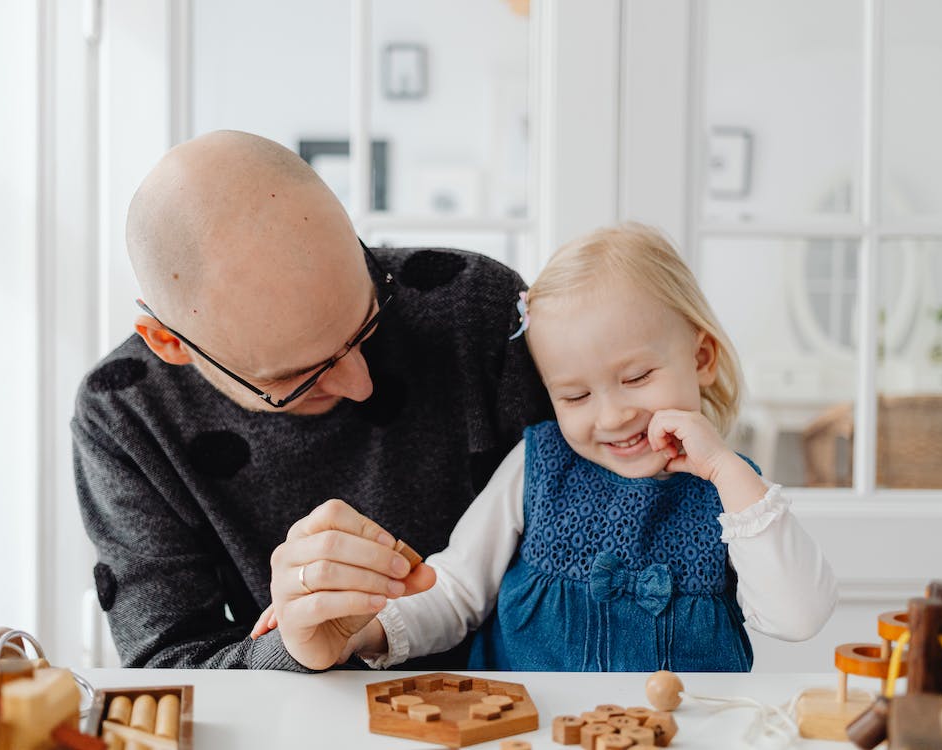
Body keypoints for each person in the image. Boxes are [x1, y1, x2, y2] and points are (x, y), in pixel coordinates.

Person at [71, 130, 551, 671]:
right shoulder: (126, 412)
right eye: (300, 376)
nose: (361, 385)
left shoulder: (475, 309)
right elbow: (168, 666)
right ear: (170, 343)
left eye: (366, 322)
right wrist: (292, 647)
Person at [329, 222, 838, 670]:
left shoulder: (734, 493)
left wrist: (727, 471)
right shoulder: (538, 464)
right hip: (536, 726)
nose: (613, 416)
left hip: (684, 729)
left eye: (636, 378)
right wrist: (367, 632)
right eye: (575, 396)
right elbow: (456, 590)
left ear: (701, 358)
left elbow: (798, 618)